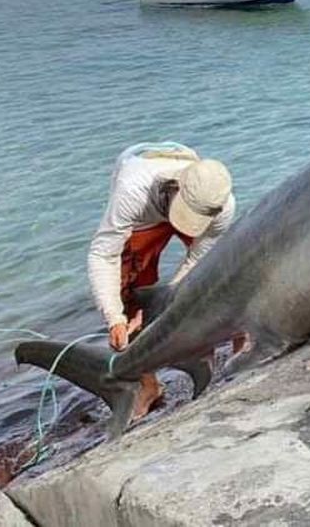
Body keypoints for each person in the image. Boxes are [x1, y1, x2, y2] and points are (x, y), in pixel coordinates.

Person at [87, 142, 235, 418]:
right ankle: (148, 385)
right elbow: (102, 254)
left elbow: (195, 262)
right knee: (129, 293)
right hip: (147, 209)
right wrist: (115, 318)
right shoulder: (132, 192)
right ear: (175, 188)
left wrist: (163, 304)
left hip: (192, 190)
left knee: (221, 274)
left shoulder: (220, 206)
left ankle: (241, 352)